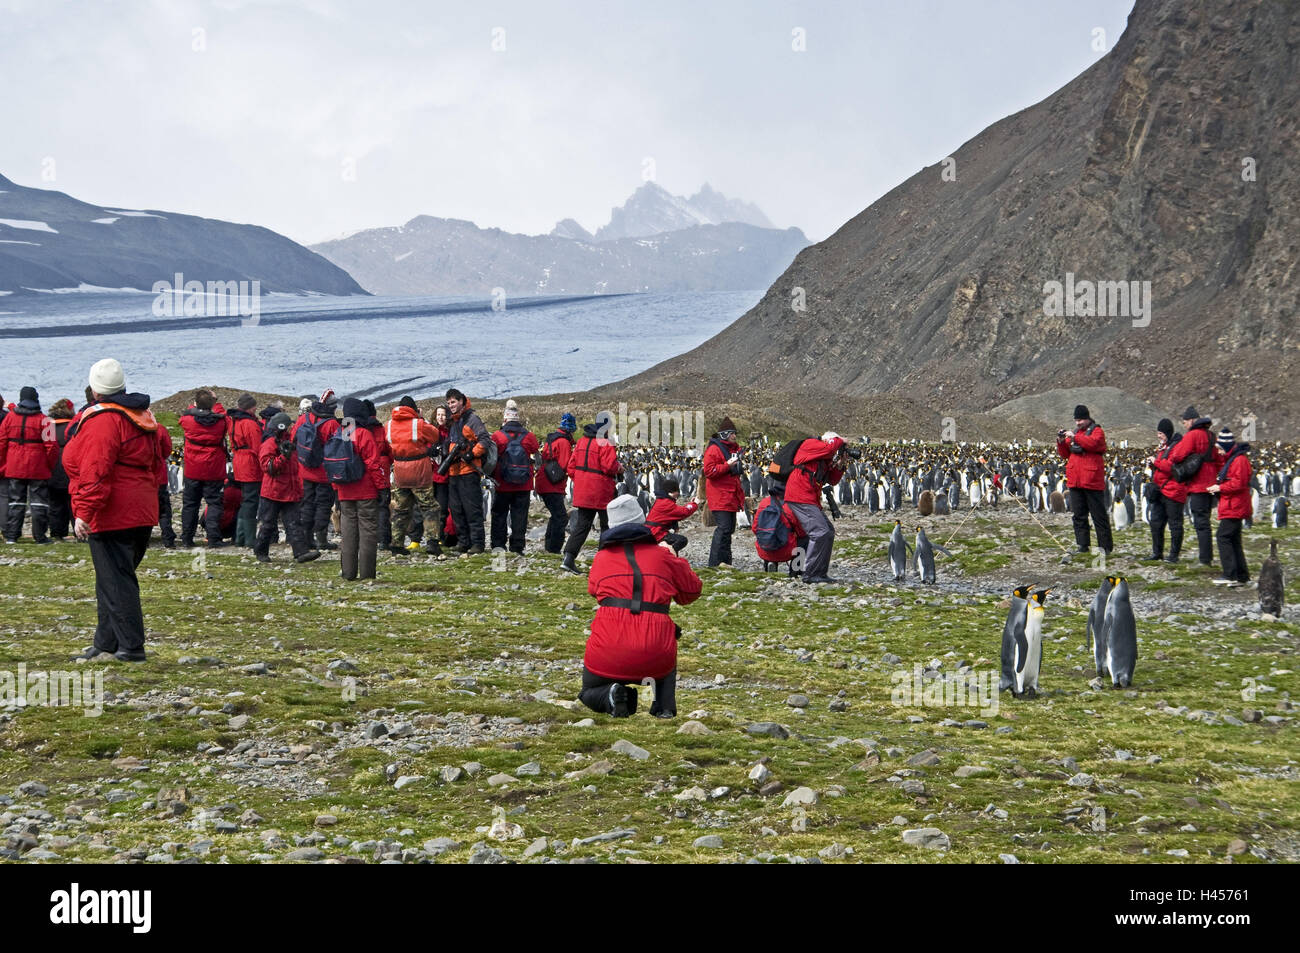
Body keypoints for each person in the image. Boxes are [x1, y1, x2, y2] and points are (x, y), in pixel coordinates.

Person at [62, 359, 163, 662]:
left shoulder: (103, 421)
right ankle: (105, 641)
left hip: (112, 511)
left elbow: (95, 471)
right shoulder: (142, 416)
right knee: (114, 577)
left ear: (94, 389)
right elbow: (162, 452)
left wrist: (84, 512)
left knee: (117, 580)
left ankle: (131, 647)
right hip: (141, 508)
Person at [577, 493, 702, 719]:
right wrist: (674, 557)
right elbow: (691, 593)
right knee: (666, 633)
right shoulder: (663, 556)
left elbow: (595, 591)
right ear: (642, 520)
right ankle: (663, 706)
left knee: (588, 692)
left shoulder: (601, 559)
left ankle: (612, 694)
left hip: (607, 652)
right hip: (655, 655)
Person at [255, 412, 321, 564]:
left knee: (294, 523)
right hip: (273, 492)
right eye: (289, 426)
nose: (292, 428)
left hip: (287, 491)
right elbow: (268, 467)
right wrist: (283, 457)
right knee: (268, 524)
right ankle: (260, 550)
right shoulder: (270, 444)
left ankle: (301, 552)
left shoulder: (286, 443)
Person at [332, 397, 386, 580]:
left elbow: (333, 464)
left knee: (348, 533)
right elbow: (373, 464)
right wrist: (382, 487)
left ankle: (348, 573)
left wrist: (336, 488)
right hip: (365, 491)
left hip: (344, 491)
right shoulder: (363, 434)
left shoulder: (340, 432)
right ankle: (367, 574)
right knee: (368, 532)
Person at [783, 432, 847, 584]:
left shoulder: (823, 456)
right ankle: (810, 574)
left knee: (828, 531)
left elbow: (832, 480)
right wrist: (842, 440)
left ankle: (820, 573)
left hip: (809, 498)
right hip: (799, 495)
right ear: (829, 439)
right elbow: (830, 448)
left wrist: (840, 464)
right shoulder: (810, 444)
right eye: (835, 441)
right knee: (820, 532)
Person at [562, 421, 622, 574]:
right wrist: (619, 468)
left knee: (582, 525)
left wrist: (582, 480)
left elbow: (570, 467)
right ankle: (604, 562)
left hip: (583, 490)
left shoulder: (581, 442)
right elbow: (609, 466)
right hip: (601, 491)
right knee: (606, 525)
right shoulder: (606, 443)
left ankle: (568, 558)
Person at [0, 386, 58, 544]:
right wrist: (49, 466)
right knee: (39, 502)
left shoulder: (9, 418)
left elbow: (2, 443)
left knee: (15, 501)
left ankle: (12, 536)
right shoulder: (45, 420)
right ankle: (40, 536)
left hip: (14, 466)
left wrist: (4, 464)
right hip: (38, 467)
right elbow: (52, 447)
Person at [386, 396, 442, 555]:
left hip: (399, 471)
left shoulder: (389, 425)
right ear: (414, 409)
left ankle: (396, 544)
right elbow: (435, 435)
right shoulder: (418, 424)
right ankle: (432, 542)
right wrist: (420, 417)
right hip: (419, 470)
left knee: (401, 509)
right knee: (429, 507)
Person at [1056, 404, 1112, 555]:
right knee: (1079, 515)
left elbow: (1093, 444)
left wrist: (1075, 438)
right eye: (1076, 420)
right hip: (1075, 481)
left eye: (1080, 419)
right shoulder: (1075, 434)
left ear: (1087, 418)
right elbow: (1065, 454)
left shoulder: (1097, 431)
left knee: (1098, 515)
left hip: (1091, 481)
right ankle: (1083, 544)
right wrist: (1061, 441)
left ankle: (1104, 547)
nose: (1078, 423)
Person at [179, 389, 230, 548]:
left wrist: (198, 404)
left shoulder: (187, 420)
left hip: (193, 468)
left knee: (190, 504)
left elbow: (187, 412)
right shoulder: (221, 422)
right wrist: (216, 402)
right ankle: (213, 539)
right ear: (212, 405)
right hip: (213, 467)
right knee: (214, 503)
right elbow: (226, 417)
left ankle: (187, 538)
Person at [443, 388, 491, 554]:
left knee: (472, 509)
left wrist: (472, 454)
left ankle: (477, 543)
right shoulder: (454, 422)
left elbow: (485, 440)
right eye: (449, 403)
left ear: (461, 401)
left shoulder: (472, 419)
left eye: (454, 402)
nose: (451, 406)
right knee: (456, 509)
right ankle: (464, 542)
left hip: (469, 471)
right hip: (454, 472)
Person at [292, 389, 341, 551]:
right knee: (323, 505)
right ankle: (321, 539)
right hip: (323, 472)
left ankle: (307, 537)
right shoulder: (332, 423)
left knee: (307, 504)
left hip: (304, 469)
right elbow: (341, 446)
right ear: (332, 407)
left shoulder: (304, 418)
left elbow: (293, 438)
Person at [490, 400, 539, 554]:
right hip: (524, 484)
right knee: (520, 515)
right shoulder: (529, 436)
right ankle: (517, 546)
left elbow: (491, 457)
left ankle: (498, 545)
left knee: (499, 514)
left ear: (505, 419)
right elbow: (536, 454)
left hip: (502, 483)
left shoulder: (497, 436)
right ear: (518, 419)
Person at [1207, 427, 1252, 588]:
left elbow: (1239, 482)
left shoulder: (1238, 460)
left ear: (1226, 446)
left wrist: (1220, 488)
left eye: (1219, 449)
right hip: (1233, 505)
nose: (1218, 452)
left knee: (1223, 537)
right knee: (1233, 539)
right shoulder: (1233, 459)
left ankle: (1230, 574)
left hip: (1235, 506)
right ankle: (1242, 575)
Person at [1175, 407, 1218, 566]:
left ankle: (1205, 559)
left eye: (1185, 421)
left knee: (1201, 522)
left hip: (1198, 484)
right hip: (1211, 484)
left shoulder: (1192, 435)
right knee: (1205, 520)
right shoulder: (1211, 435)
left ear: (1192, 420)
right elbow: (1218, 458)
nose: (1184, 425)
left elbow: (1178, 455)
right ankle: (1207, 556)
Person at [701, 417, 745, 566]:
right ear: (725, 434)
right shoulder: (714, 449)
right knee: (724, 528)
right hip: (720, 496)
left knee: (729, 530)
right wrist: (727, 465)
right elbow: (709, 471)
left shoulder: (731, 450)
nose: (735, 436)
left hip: (730, 495)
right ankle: (714, 563)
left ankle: (726, 562)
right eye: (732, 433)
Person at [1146, 418, 1186, 563]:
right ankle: (1157, 553)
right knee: (1156, 522)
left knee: (1175, 524)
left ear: (1168, 433)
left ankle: (1173, 555)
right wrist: (1152, 465)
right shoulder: (1164, 447)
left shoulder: (1178, 447)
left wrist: (1155, 461)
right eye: (1158, 433)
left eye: (1161, 433)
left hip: (1174, 491)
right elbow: (1162, 467)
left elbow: (1171, 467)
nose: (1159, 435)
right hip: (1161, 491)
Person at [535, 412, 576, 554]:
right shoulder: (564, 442)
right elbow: (566, 465)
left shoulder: (552, 439)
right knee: (561, 517)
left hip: (543, 481)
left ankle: (549, 546)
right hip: (552, 485)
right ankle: (554, 549)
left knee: (556, 515)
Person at [227, 393, 263, 547]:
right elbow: (257, 448)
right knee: (251, 500)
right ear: (250, 407)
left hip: (239, 461)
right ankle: (249, 539)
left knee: (245, 499)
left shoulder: (234, 421)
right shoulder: (250, 424)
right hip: (250, 463)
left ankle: (240, 537)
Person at [360, 399, 393, 552]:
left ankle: (367, 540)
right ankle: (384, 540)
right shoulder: (381, 429)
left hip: (364, 470)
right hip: (382, 468)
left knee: (365, 507)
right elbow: (389, 449)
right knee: (382, 506)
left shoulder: (357, 429)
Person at [46, 398, 76, 542]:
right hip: (70, 468)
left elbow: (46, 449)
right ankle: (79, 532)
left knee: (55, 503)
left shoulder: (48, 426)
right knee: (73, 503)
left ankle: (57, 533)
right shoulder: (73, 427)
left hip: (52, 469)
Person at [645, 477, 698, 553]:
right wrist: (695, 504)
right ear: (672, 491)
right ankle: (666, 554)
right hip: (655, 533)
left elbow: (675, 512)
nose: (678, 493)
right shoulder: (666, 503)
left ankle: (667, 554)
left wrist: (690, 503)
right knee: (682, 540)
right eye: (677, 490)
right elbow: (683, 512)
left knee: (672, 538)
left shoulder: (661, 500)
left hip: (652, 530)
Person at [431, 404, 454, 548]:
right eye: (438, 414)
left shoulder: (451, 432)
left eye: (443, 414)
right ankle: (433, 536)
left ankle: (441, 535)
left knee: (443, 508)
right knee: (432, 508)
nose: (440, 417)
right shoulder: (431, 432)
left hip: (445, 476)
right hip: (432, 474)